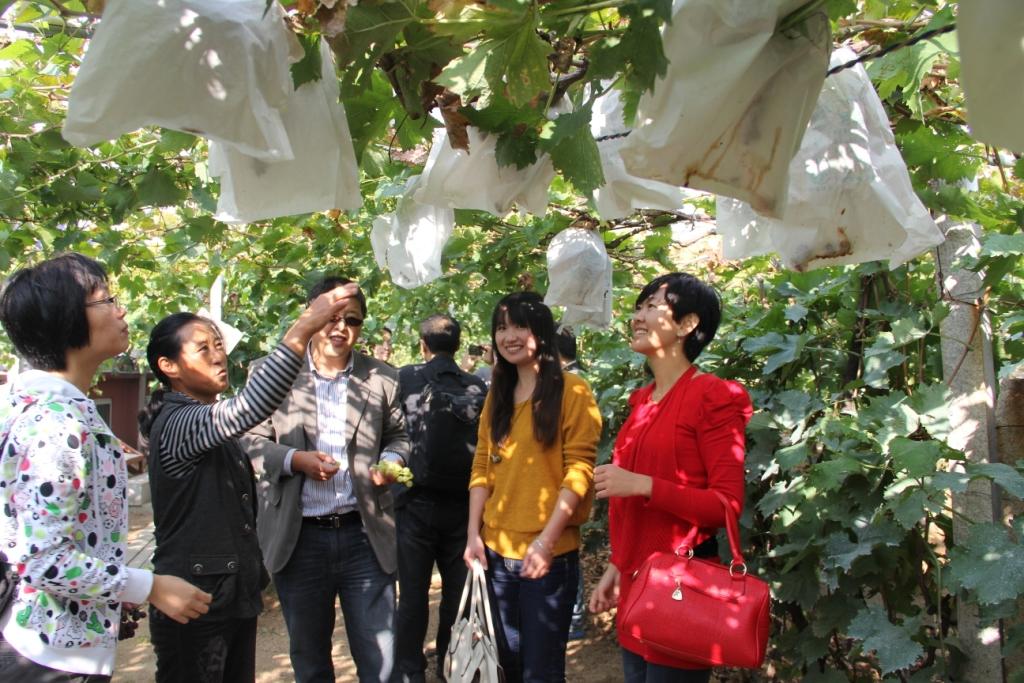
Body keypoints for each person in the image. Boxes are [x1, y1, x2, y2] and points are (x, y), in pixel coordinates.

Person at [0, 253, 211, 681]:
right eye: (106, 299)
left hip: (60, 646)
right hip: (46, 655)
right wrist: (149, 586)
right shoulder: (55, 422)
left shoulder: (52, 407)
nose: (121, 310)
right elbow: (44, 559)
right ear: (65, 319)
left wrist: (115, 590)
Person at [137, 284, 356, 682]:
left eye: (218, 345)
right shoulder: (181, 422)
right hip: (195, 599)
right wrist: (306, 326)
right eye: (203, 349)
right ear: (168, 366)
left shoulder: (204, 420)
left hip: (226, 593)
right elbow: (252, 406)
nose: (218, 355)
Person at [241, 276, 410, 683]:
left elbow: (399, 436)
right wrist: (294, 460)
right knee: (310, 659)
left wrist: (390, 461)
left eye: (352, 320)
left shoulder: (382, 378)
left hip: (363, 535)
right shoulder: (271, 374)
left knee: (382, 659)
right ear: (311, 316)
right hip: (300, 537)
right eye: (332, 317)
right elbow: (250, 440)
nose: (340, 328)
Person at [588, 273, 753, 683]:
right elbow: (632, 511)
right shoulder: (642, 402)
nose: (637, 317)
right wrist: (616, 566)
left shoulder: (712, 396)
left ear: (687, 324)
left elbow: (727, 505)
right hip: (636, 585)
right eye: (638, 308)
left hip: (681, 588)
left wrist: (643, 485)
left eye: (651, 306)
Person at [464, 291, 601, 683]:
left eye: (519, 326)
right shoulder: (498, 395)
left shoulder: (573, 391)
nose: (509, 336)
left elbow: (579, 470)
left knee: (541, 672)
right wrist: (473, 534)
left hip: (548, 557)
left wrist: (546, 542)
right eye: (501, 328)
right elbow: (482, 465)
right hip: (495, 554)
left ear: (541, 331)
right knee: (504, 666)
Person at [394, 314, 487, 682]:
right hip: (463, 505)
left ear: (423, 345)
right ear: (459, 345)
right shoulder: (476, 385)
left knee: (412, 596)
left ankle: (410, 672)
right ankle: (451, 668)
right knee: (455, 596)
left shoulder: (406, 377)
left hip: (415, 504)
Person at [553, 322, 587, 641]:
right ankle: (575, 616)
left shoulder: (573, 384)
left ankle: (575, 617)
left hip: (569, 485)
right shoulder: (576, 378)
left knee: (568, 547)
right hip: (569, 484)